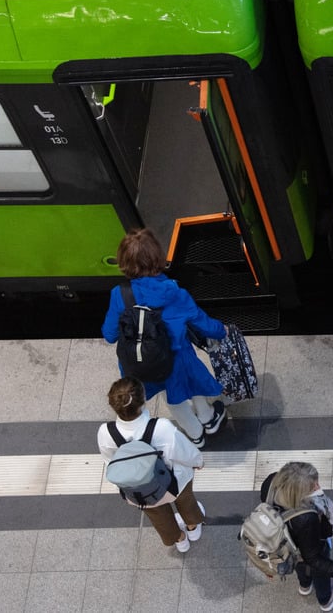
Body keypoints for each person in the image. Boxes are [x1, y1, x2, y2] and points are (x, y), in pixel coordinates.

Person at [102, 228, 227, 448]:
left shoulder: (119, 294)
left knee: (174, 401)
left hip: (140, 362)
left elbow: (110, 335)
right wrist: (222, 331)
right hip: (177, 359)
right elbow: (201, 322)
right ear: (158, 257)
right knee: (189, 384)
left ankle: (195, 434)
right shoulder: (174, 292)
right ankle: (208, 419)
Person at [97, 377, 206, 553]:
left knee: (158, 515)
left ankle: (180, 540)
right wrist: (198, 462)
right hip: (174, 482)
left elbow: (110, 462)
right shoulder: (161, 427)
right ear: (143, 401)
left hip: (141, 491)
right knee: (186, 501)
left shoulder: (105, 433)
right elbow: (183, 452)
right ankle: (192, 527)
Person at [260, 462, 333, 611]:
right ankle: (325, 600)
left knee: (299, 565)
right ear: (298, 492)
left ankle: (304, 586)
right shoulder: (306, 517)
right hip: (306, 544)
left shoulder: (270, 483)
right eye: (312, 487)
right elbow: (314, 559)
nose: (318, 487)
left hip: (286, 545)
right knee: (318, 571)